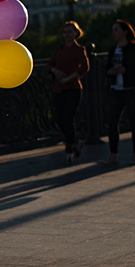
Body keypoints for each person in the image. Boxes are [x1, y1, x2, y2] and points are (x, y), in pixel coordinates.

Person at [104, 20, 135, 165]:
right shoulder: (112, 50)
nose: (113, 33)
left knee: (134, 122)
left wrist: (126, 71)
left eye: (116, 30)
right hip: (116, 90)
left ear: (125, 32)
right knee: (112, 122)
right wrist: (111, 72)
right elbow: (107, 68)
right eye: (112, 30)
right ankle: (113, 154)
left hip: (131, 90)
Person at [48, 21, 90, 165]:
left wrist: (70, 77)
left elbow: (84, 67)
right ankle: (75, 141)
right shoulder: (59, 48)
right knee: (60, 118)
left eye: (70, 32)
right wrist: (55, 71)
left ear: (76, 33)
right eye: (65, 32)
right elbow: (50, 64)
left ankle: (69, 149)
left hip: (72, 88)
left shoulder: (79, 49)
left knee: (68, 118)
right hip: (59, 88)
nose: (67, 34)